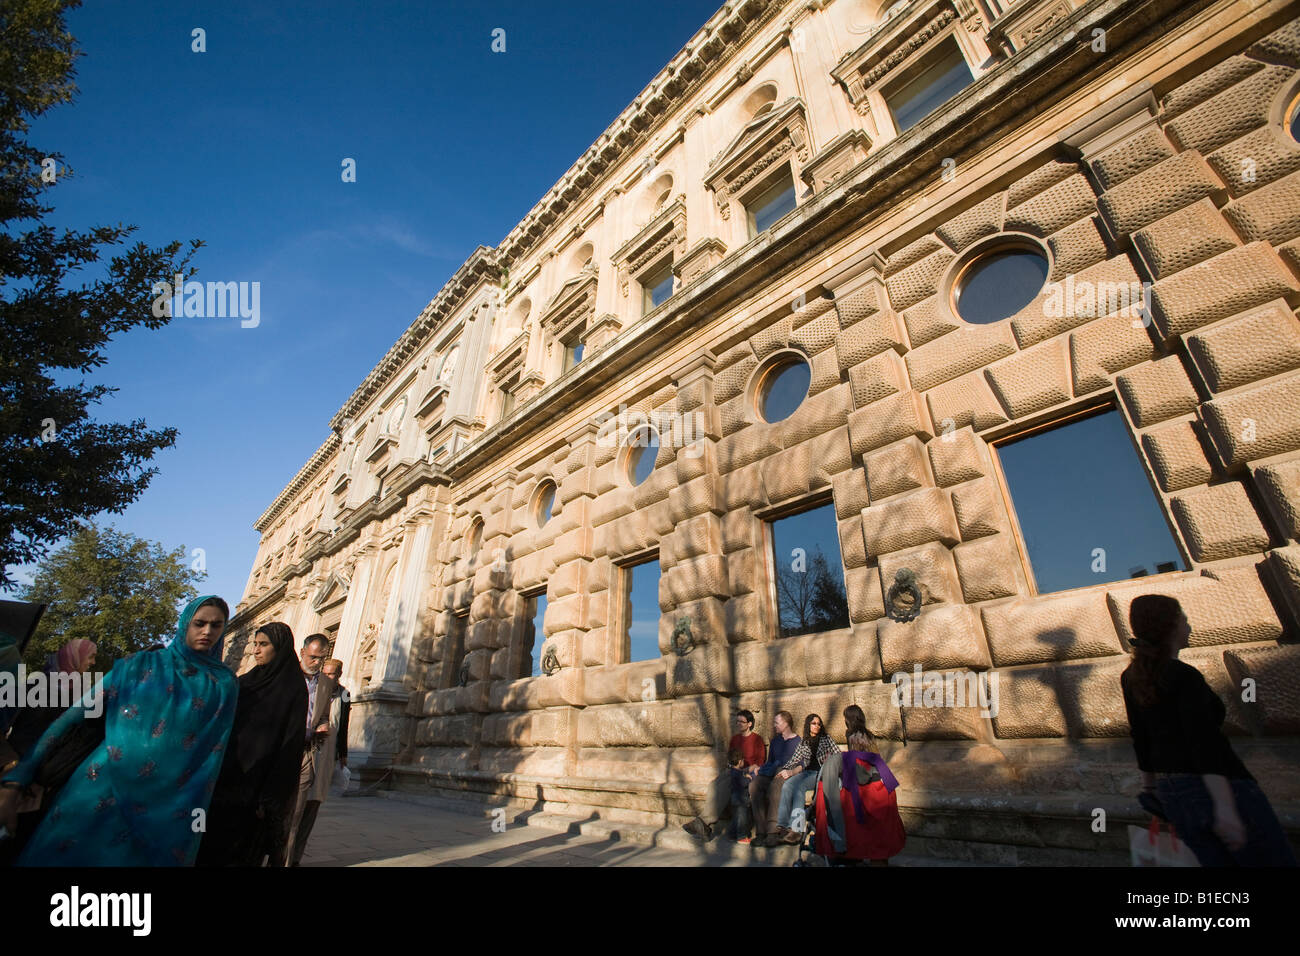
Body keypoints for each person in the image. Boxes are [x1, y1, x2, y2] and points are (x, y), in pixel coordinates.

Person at [0, 596, 239, 866]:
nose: (207, 632)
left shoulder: (223, 684)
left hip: (164, 809)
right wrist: (15, 781)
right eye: (200, 623)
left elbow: (211, 757)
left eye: (216, 625)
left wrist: (190, 826)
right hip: (100, 788)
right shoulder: (138, 665)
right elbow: (71, 718)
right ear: (185, 624)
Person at [1121, 594, 1296, 867]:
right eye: (1185, 620)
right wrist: (1224, 808)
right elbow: (1205, 743)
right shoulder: (1183, 676)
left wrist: (1151, 789)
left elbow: (1140, 737)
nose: (1189, 627)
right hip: (1219, 790)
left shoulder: (1130, 676)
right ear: (1171, 626)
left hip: (1172, 792)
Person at [197, 622, 308, 867]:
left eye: (264, 645)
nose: (256, 651)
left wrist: (270, 798)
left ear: (280, 648)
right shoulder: (244, 682)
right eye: (255, 644)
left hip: (256, 791)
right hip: (223, 780)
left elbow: (289, 746)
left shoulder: (293, 688)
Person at [278, 633, 338, 866]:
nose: (316, 663)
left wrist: (323, 724)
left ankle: (286, 860)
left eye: (321, 659)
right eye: (313, 657)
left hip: (306, 753)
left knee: (295, 814)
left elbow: (322, 713)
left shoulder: (325, 683)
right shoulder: (284, 676)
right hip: (279, 752)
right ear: (302, 652)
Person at [5, 638, 98, 761]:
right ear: (75, 656)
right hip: (15, 761)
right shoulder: (38, 684)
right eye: (91, 656)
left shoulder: (78, 693)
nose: (93, 662)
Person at [774, 713, 836, 845]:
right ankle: (783, 826)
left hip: (820, 773)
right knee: (788, 785)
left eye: (819, 724)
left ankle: (797, 830)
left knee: (799, 788)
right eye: (814, 723)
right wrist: (784, 769)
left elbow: (838, 755)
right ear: (808, 725)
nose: (817, 726)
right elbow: (794, 760)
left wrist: (830, 759)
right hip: (807, 772)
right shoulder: (804, 741)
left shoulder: (826, 738)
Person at [750, 710, 800, 847]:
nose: (774, 725)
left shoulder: (798, 741)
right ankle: (761, 832)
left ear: (786, 723)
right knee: (754, 785)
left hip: (787, 775)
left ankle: (773, 832)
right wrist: (760, 769)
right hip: (772, 772)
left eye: (777, 722)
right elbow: (769, 761)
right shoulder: (775, 741)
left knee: (775, 787)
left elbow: (802, 765)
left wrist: (790, 772)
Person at [321, 658, 349, 779]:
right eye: (324, 674)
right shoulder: (316, 688)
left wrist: (343, 753)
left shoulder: (345, 694)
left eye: (331, 674)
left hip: (332, 744)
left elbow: (344, 723)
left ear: (339, 674)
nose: (327, 677)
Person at [727, 749, 757, 844]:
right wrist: (749, 778)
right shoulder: (737, 773)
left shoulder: (733, 771)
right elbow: (743, 783)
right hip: (741, 800)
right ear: (740, 762)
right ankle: (742, 836)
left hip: (735, 799)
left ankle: (732, 834)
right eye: (743, 760)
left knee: (736, 818)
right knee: (742, 819)